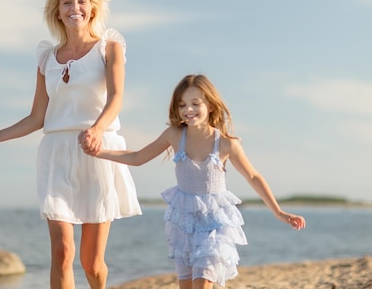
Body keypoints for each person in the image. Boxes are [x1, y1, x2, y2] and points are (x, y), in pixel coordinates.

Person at [0, 0, 142, 288]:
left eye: (81, 1)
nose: (75, 7)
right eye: (67, 2)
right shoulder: (47, 58)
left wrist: (97, 130)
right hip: (56, 153)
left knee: (92, 263)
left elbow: (116, 99)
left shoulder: (108, 47)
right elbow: (37, 117)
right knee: (62, 251)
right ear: (57, 12)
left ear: (93, 8)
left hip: (97, 151)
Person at [86, 74, 306, 289]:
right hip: (184, 224)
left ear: (210, 105)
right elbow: (137, 158)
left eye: (195, 103)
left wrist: (279, 212)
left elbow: (253, 177)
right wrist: (99, 152)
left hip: (215, 225)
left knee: (202, 282)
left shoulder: (227, 144)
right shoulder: (174, 135)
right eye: (182, 105)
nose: (188, 110)